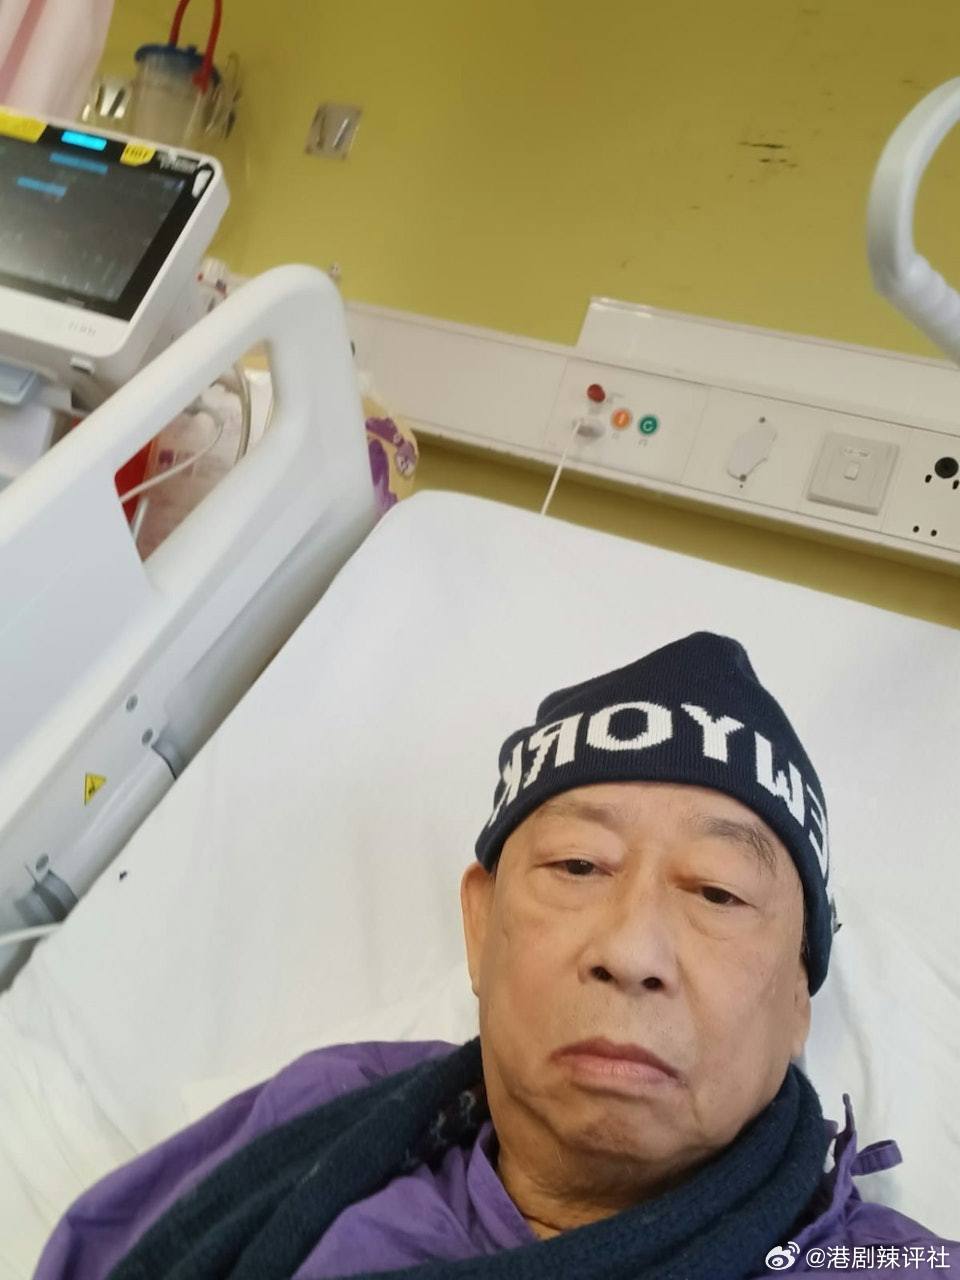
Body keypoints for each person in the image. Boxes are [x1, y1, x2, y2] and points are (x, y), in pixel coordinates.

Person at [33, 632, 958, 1279]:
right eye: (578, 865)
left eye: (717, 892)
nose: (631, 949)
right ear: (479, 927)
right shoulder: (323, 1116)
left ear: (799, 998)